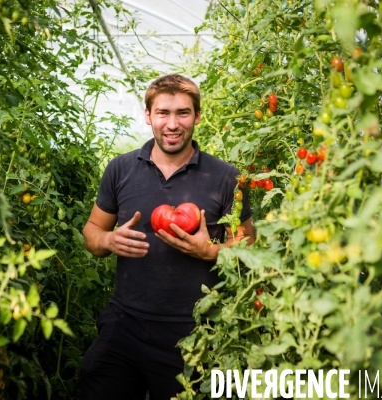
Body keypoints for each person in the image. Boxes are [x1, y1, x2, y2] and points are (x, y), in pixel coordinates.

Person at [80, 74, 254, 400]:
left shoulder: (226, 177)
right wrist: (107, 241)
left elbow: (248, 243)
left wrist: (211, 252)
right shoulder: (120, 169)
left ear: (197, 116)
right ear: (148, 116)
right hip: (125, 322)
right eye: (163, 113)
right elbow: (92, 230)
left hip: (194, 330)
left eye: (183, 113)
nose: (172, 124)